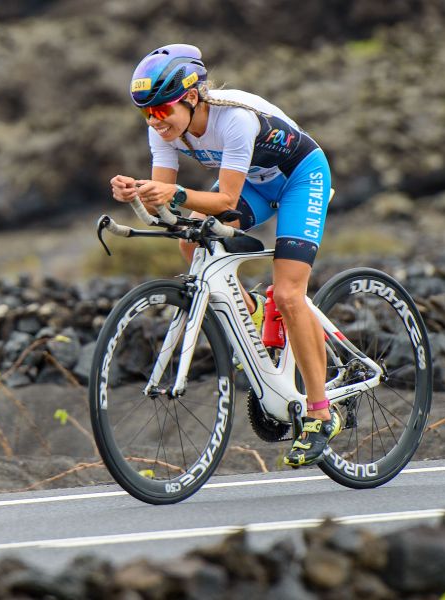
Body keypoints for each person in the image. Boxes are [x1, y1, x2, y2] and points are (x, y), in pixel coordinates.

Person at [110, 44, 339, 467]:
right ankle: (250, 311)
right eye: (147, 114)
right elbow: (169, 211)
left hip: (300, 180)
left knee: (289, 295)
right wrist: (137, 194)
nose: (155, 122)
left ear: (192, 97)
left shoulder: (233, 120)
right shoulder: (162, 129)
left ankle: (320, 414)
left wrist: (174, 194)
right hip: (256, 182)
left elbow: (226, 198)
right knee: (188, 239)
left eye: (162, 112)